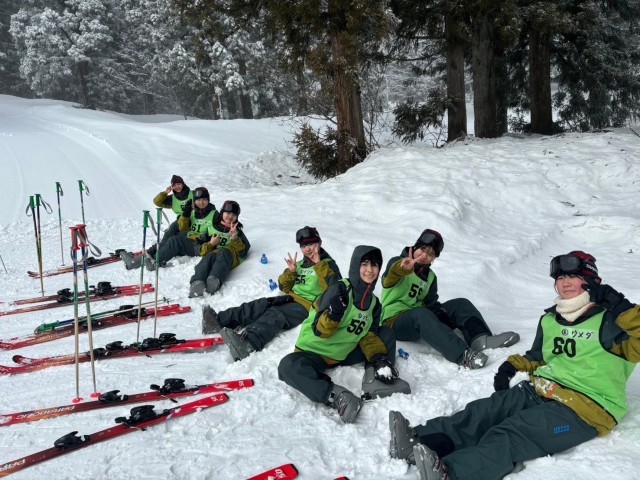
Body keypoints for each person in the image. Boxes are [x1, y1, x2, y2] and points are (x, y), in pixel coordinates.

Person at [388, 250, 639, 480]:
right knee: (483, 412)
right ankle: (420, 441)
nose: (565, 283)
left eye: (573, 276)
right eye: (560, 277)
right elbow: (539, 355)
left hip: (586, 407)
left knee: (512, 433)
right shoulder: (551, 319)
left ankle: (452, 473)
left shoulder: (614, 322)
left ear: (593, 281)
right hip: (542, 389)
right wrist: (512, 365)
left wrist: (621, 306)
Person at [278, 245, 411, 424]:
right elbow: (320, 331)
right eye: (364, 264)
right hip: (314, 352)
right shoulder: (338, 289)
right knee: (288, 366)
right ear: (356, 266)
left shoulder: (374, 304)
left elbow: (368, 335)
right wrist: (334, 315)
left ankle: (377, 379)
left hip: (344, 353)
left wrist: (378, 358)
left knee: (385, 333)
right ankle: (338, 396)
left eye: (374, 265)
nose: (370, 270)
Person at [381, 229, 519, 369]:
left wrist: (445, 316)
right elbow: (391, 275)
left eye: (431, 254)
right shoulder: (397, 263)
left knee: (461, 304)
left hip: (420, 316)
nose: (424, 256)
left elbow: (431, 304)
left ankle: (480, 339)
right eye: (422, 249)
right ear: (415, 246)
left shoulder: (430, 277)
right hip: (394, 322)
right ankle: (462, 355)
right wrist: (402, 268)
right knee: (420, 314)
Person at [201, 226, 342, 361]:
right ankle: (219, 321)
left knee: (276, 314)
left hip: (308, 306)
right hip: (290, 298)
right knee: (260, 304)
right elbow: (283, 287)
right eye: (304, 246)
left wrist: (319, 265)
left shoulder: (328, 264)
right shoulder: (300, 264)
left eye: (311, 244)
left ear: (319, 243)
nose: (308, 249)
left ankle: (248, 344)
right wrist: (291, 272)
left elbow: (334, 289)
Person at [120, 175, 195, 270]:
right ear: (172, 187)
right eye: (174, 185)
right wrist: (165, 193)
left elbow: (204, 202)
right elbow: (157, 202)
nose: (177, 187)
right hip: (180, 221)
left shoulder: (193, 194)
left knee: (172, 241)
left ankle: (151, 259)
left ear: (183, 184)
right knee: (167, 237)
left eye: (179, 184)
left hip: (193, 222)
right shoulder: (173, 198)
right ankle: (145, 256)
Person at [188, 200, 250, 296]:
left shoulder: (237, 231)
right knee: (207, 258)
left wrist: (234, 238)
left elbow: (243, 252)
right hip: (214, 253)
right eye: (228, 213)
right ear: (222, 213)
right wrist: (210, 244)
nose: (230, 216)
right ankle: (197, 282)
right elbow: (200, 249)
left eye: (234, 215)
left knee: (224, 252)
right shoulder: (212, 228)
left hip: (230, 256)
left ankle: (214, 279)